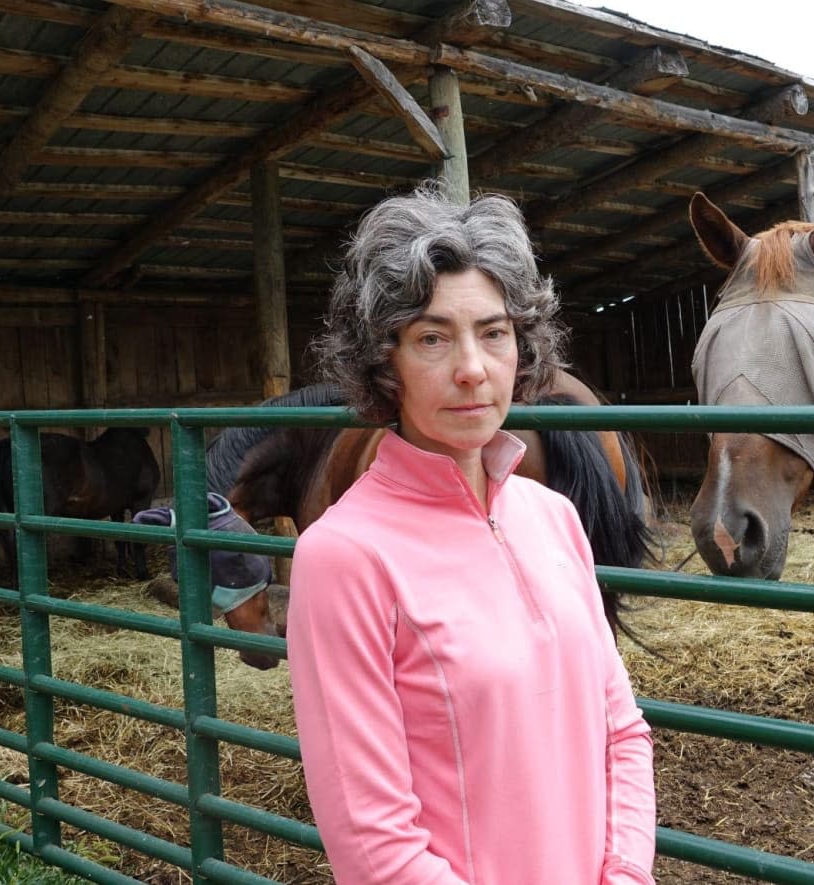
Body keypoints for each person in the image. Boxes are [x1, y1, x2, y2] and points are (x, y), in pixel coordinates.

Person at [285, 185, 657, 885]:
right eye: (432, 337)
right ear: (383, 361)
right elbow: (375, 848)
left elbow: (623, 733)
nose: (472, 368)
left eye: (493, 332)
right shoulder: (343, 557)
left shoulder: (555, 519)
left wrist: (627, 874)